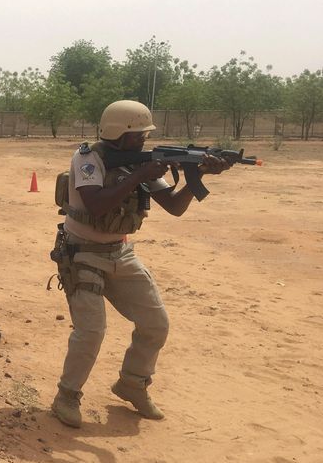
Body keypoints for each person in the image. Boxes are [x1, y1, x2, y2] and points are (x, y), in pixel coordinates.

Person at [50, 100, 230, 428]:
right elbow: (95, 205)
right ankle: (67, 395)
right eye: (138, 136)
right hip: (81, 254)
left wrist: (198, 175)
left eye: (145, 136)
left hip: (120, 253)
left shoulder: (142, 163)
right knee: (91, 332)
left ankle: (133, 383)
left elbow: (175, 207)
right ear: (118, 134)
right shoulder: (88, 158)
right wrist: (140, 176)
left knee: (156, 323)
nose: (143, 142)